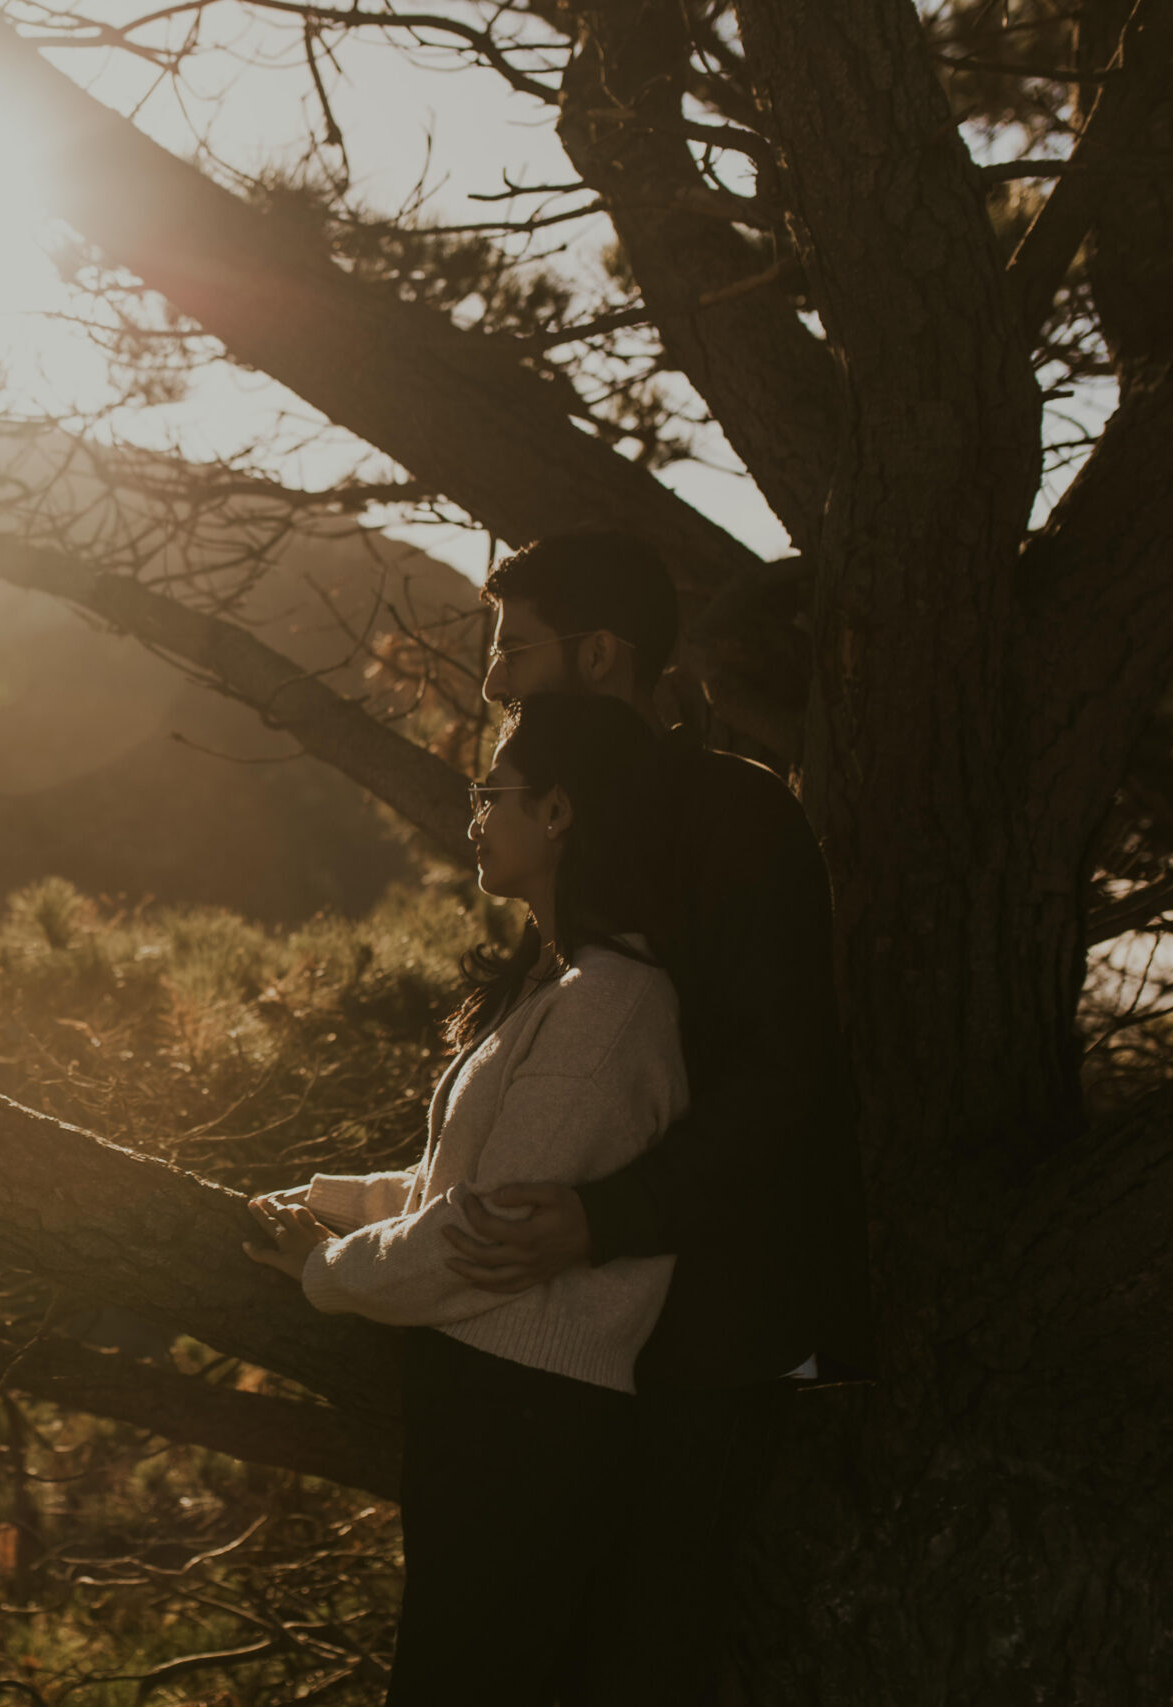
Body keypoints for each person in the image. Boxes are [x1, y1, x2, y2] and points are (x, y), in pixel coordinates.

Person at [447, 530, 872, 1702]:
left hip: (699, 1344)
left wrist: (610, 1215)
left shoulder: (732, 818)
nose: (493, 681)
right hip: (551, 1341)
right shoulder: (555, 828)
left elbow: (786, 1080)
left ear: (598, 652)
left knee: (632, 1665)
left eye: (515, 650)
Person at [244, 692, 687, 1707]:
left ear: (560, 812)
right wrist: (333, 1202)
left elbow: (475, 1237)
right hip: (495, 1419)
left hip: (532, 1434)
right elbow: (461, 1187)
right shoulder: (562, 988)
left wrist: (322, 1270)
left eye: (492, 792)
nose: (475, 814)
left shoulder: (609, 1006)